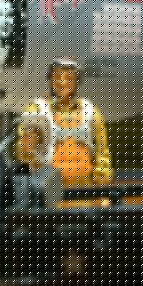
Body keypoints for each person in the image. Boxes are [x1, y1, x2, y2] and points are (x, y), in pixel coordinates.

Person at [17, 58, 113, 189]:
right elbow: (24, 153)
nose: (62, 82)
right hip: (48, 191)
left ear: (77, 81)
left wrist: (102, 180)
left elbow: (102, 152)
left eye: (69, 78)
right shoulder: (36, 110)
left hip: (84, 190)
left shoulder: (91, 112)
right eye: (57, 77)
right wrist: (27, 147)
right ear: (50, 79)